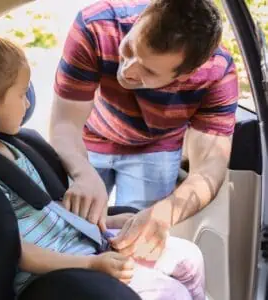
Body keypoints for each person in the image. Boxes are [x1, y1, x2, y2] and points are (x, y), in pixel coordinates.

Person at [0, 17, 207, 300]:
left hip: (83, 243)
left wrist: (110, 221)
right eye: (22, 94)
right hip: (63, 272)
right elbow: (15, 249)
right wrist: (91, 264)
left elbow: (49, 209)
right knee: (170, 293)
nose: (28, 103)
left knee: (189, 258)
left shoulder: (17, 145)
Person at [50, 0, 238, 262]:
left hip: (156, 147)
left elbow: (209, 167)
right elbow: (65, 123)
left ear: (185, 75)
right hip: (90, 135)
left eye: (148, 71)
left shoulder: (217, 74)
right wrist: (83, 173)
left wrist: (162, 215)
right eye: (129, 49)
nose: (127, 70)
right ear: (139, 21)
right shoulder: (97, 26)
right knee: (67, 232)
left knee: (136, 245)